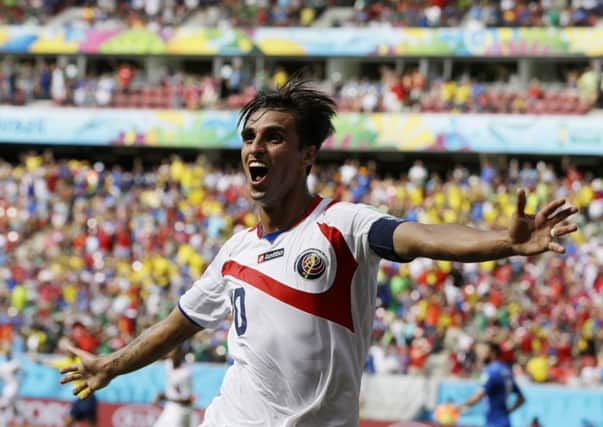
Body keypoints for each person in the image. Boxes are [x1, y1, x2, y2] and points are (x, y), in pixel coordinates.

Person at [58, 78, 578, 426]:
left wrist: (504, 243)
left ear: (308, 154)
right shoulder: (234, 252)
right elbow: (177, 325)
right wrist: (111, 365)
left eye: (274, 137)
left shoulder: (342, 225)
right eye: (249, 137)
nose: (255, 148)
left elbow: (424, 237)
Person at [456, 342, 526, 427]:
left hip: (494, 422)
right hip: (505, 421)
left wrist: (461, 406)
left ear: (492, 353)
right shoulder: (506, 369)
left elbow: (478, 395)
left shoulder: (491, 371)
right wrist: (509, 411)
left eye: (484, 352)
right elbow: (521, 398)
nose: (480, 354)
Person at [152, 345, 194, 427]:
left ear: (181, 354)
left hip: (181, 411)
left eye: (175, 351)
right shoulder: (168, 364)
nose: (172, 353)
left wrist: (165, 396)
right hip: (170, 407)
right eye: (170, 351)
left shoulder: (185, 373)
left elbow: (187, 400)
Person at [0, 351, 23, 427]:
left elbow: (19, 371)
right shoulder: (3, 365)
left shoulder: (14, 363)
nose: (8, 355)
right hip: (8, 387)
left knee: (2, 406)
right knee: (15, 408)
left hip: (13, 386)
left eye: (8, 353)